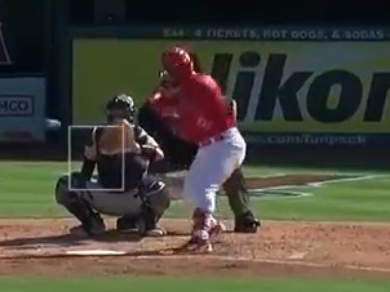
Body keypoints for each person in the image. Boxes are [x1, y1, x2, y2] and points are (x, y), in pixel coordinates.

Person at [144, 46, 249, 251]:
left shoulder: (202, 84)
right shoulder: (181, 89)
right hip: (209, 147)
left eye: (171, 70)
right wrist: (160, 98)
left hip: (225, 143)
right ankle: (209, 225)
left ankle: (200, 235)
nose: (168, 75)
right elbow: (157, 106)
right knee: (191, 191)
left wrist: (164, 97)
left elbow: (181, 107)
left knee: (204, 187)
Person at [53, 94, 173, 238]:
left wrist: (137, 149)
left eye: (121, 113)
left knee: (160, 189)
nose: (118, 117)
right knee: (67, 184)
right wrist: (82, 191)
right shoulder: (98, 134)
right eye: (116, 112)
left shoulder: (138, 133)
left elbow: (159, 155)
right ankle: (91, 223)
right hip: (104, 193)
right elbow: (87, 167)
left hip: (133, 196)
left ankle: (142, 223)